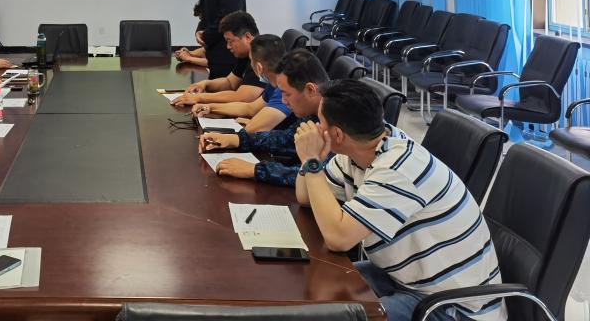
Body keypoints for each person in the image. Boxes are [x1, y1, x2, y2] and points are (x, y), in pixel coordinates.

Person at [294, 80, 504, 321]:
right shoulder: (361, 150)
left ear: (337, 134)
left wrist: (311, 162)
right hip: (403, 279)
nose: (316, 129)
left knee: (336, 316)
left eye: (320, 123)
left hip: (450, 305)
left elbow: (338, 239)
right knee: (314, 282)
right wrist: (310, 160)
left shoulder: (398, 169)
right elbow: (305, 197)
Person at [199, 48, 328, 187]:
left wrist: (255, 170)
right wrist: (236, 139)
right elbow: (287, 139)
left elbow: (323, 177)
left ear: (310, 90)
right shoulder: (315, 111)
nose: (283, 101)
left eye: (287, 94)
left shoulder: (336, 116)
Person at [190, 32, 287, 123]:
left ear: (259, 68)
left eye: (251, 61)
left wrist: (250, 126)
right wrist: (209, 107)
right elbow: (250, 109)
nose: (228, 46)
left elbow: (252, 127)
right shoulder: (273, 85)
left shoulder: (283, 90)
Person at [173, 11, 264, 108]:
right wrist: (205, 84)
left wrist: (198, 98)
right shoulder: (245, 55)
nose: (228, 47)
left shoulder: (262, 55)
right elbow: (230, 83)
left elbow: (242, 97)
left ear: (247, 37)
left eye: (230, 41)